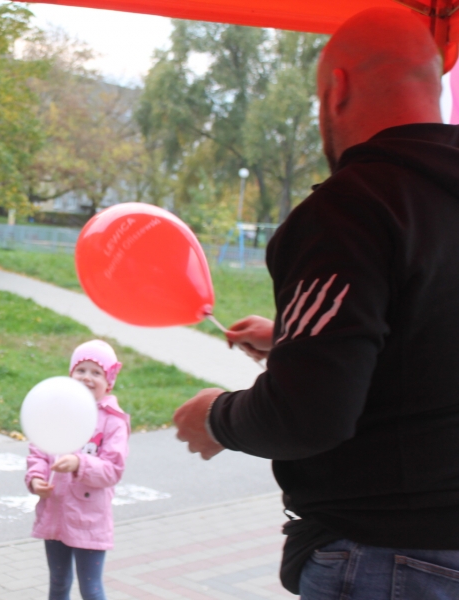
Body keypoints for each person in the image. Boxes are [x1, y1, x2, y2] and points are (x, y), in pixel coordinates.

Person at [174, 7, 459, 597]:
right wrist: (296, 340)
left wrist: (215, 418)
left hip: (390, 556)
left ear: (337, 89)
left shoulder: (350, 208)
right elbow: (432, 335)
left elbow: (307, 414)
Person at [26, 340, 129, 600]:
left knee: (90, 588)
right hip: (55, 512)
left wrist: (79, 463)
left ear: (109, 382)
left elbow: (113, 470)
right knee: (58, 582)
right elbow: (39, 450)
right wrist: (36, 478)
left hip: (90, 519)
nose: (87, 377)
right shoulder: (56, 410)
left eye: (96, 372)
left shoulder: (113, 421)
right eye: (80, 370)